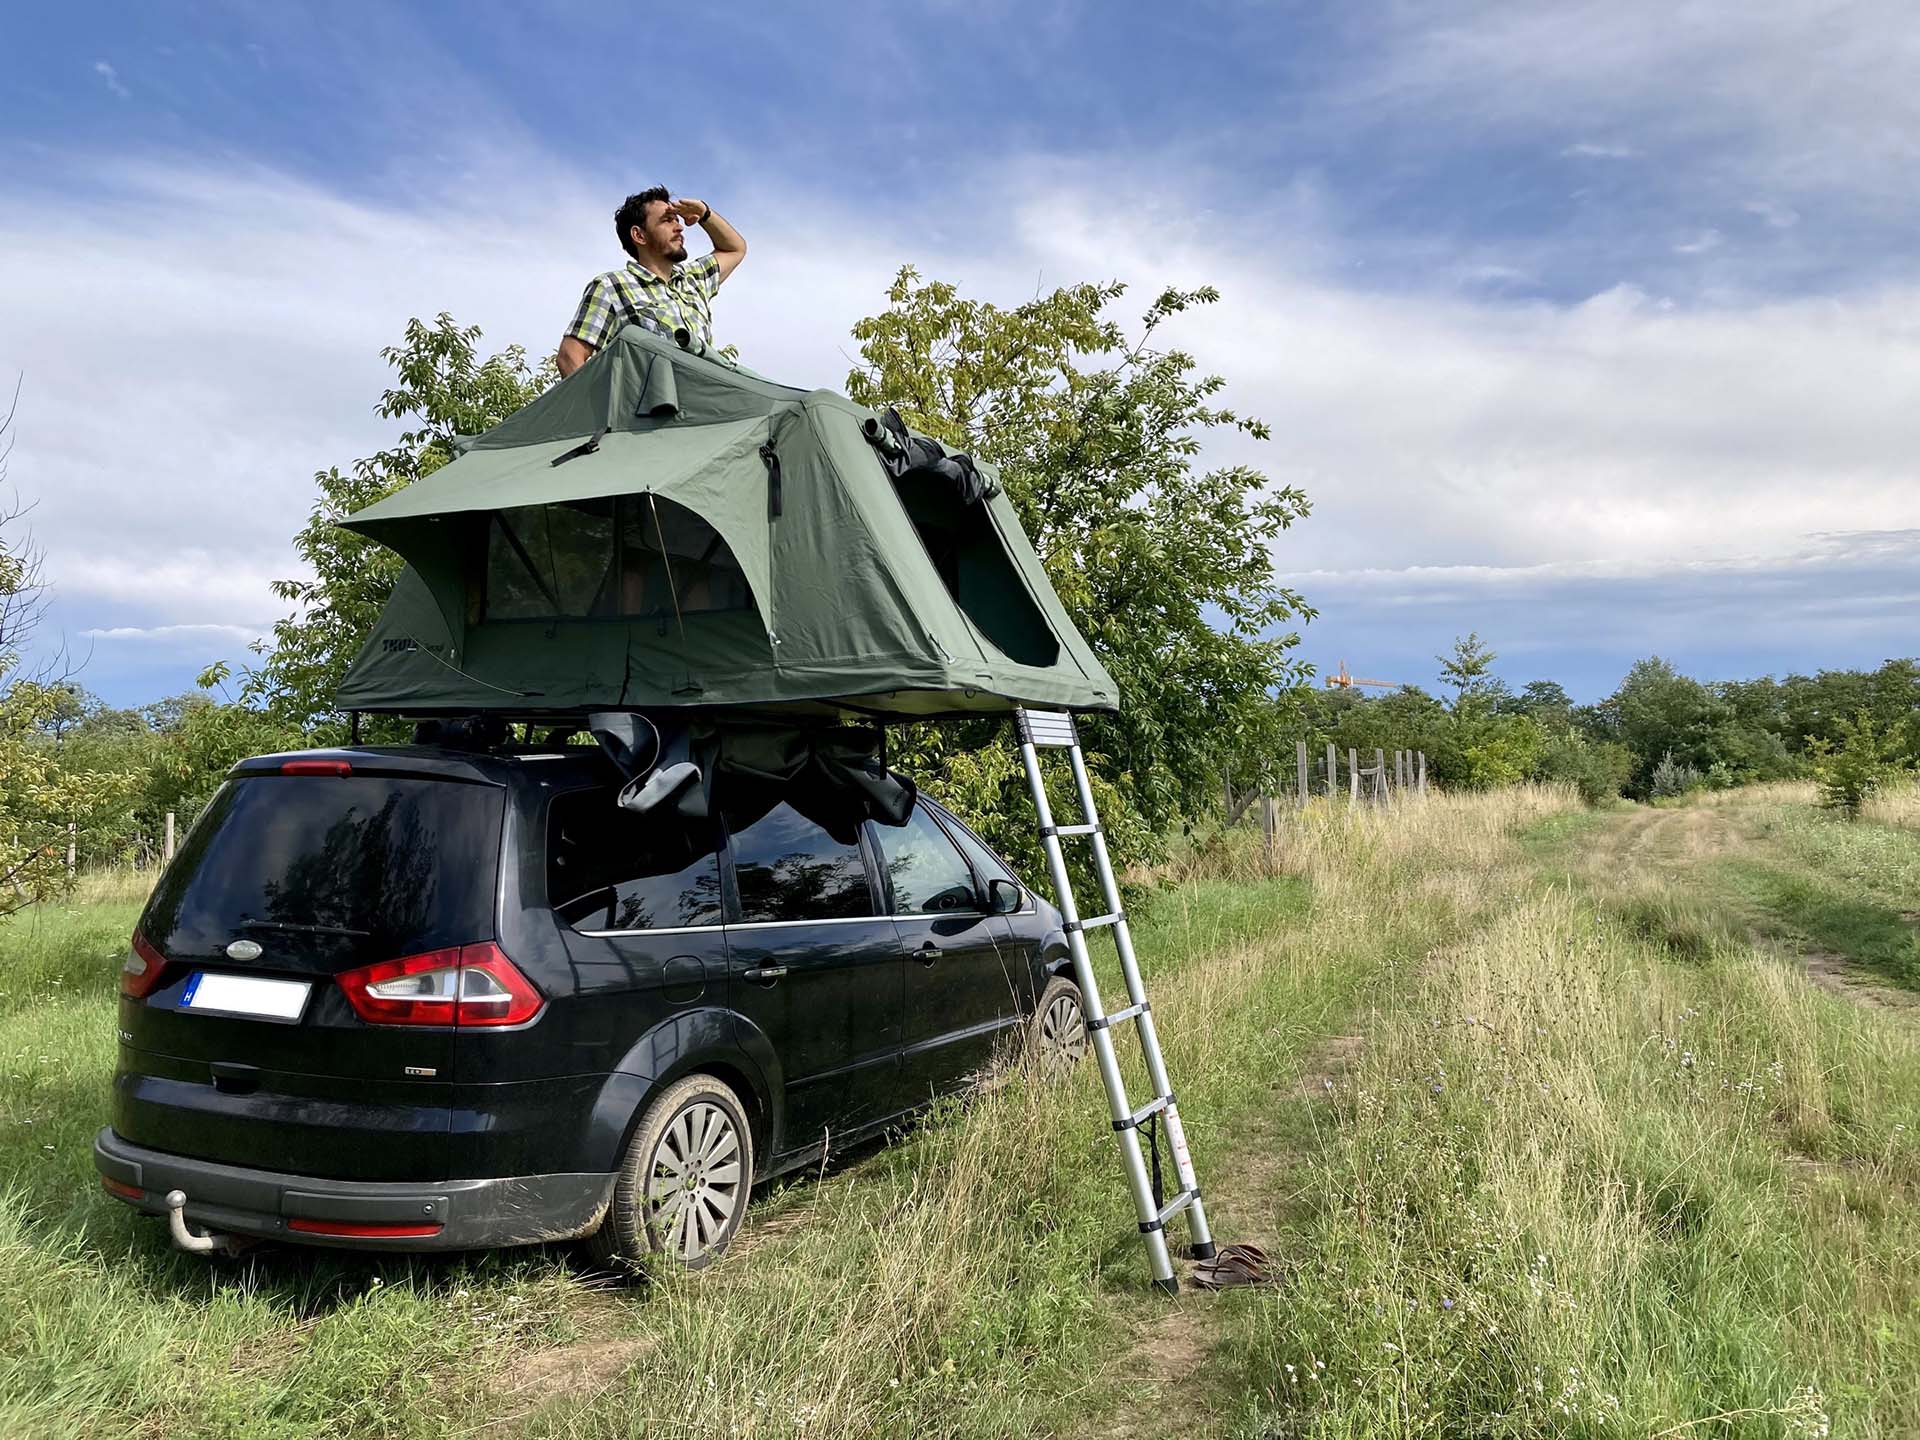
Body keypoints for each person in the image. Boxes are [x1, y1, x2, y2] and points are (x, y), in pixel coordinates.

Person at [557, 186, 747, 377]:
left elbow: (734, 248)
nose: (679, 227)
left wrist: (704, 213)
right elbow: (570, 356)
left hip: (703, 402)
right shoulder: (612, 286)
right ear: (639, 235)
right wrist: (600, 407)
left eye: (677, 220)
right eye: (667, 220)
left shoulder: (693, 280)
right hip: (649, 404)